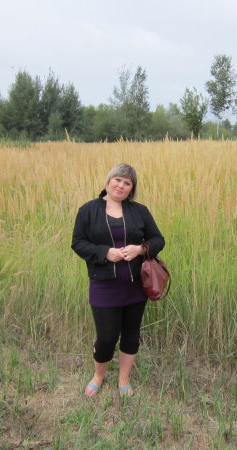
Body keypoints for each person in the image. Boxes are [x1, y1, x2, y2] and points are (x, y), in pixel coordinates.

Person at [72, 163, 165, 397]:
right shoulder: (88, 210)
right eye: (118, 180)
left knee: (131, 334)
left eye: (127, 183)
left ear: (132, 188)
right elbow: (78, 243)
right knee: (106, 337)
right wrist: (105, 252)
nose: (121, 186)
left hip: (136, 285)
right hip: (103, 285)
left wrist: (140, 249)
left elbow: (158, 240)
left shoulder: (139, 211)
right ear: (108, 181)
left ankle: (124, 378)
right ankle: (98, 375)